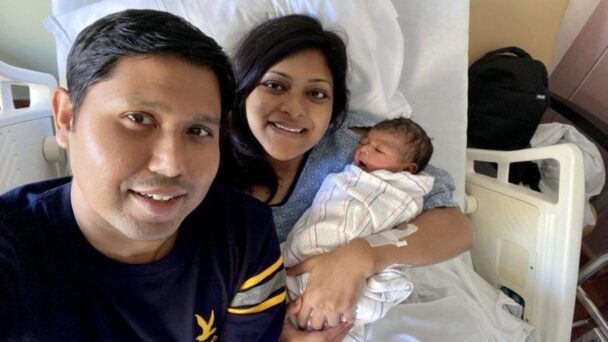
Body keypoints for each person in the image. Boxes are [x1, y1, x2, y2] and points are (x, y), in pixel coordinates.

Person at [0, 9, 285, 341]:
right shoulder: (13, 255)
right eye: (138, 118)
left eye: (197, 130)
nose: (171, 164)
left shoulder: (243, 235)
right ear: (66, 118)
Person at [219, 14, 474, 341]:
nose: (295, 109)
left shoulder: (362, 150)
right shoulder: (206, 148)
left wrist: (363, 255)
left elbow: (457, 227)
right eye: (275, 85)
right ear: (244, 87)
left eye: (317, 94)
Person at [283, 118, 434, 340]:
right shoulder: (349, 175)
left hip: (350, 268)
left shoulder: (396, 192)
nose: (363, 150)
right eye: (364, 142)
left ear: (407, 169)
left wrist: (360, 258)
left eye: (378, 149)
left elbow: (406, 225)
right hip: (305, 258)